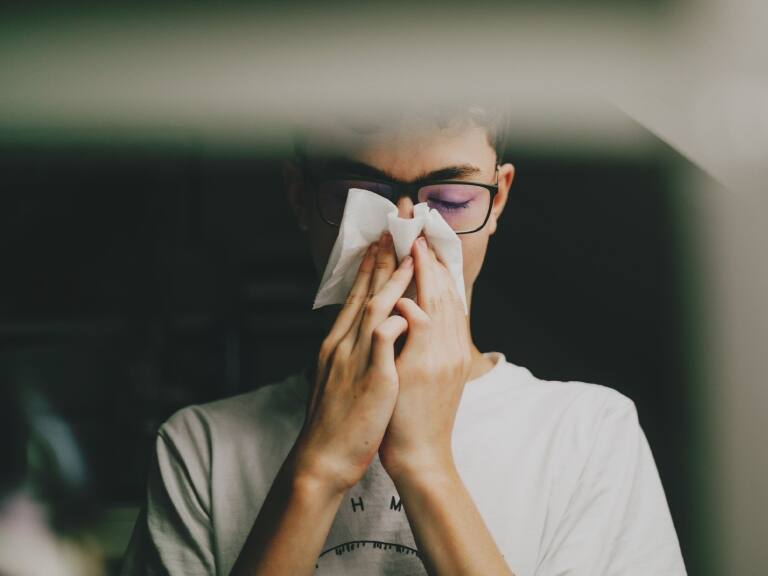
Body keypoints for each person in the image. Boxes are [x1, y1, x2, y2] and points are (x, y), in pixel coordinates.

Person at [121, 108, 687, 575]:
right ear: (300, 196)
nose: (406, 233)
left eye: (452, 201)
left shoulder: (588, 435)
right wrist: (317, 470)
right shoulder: (202, 448)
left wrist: (425, 465)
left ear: (498, 200)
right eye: (359, 196)